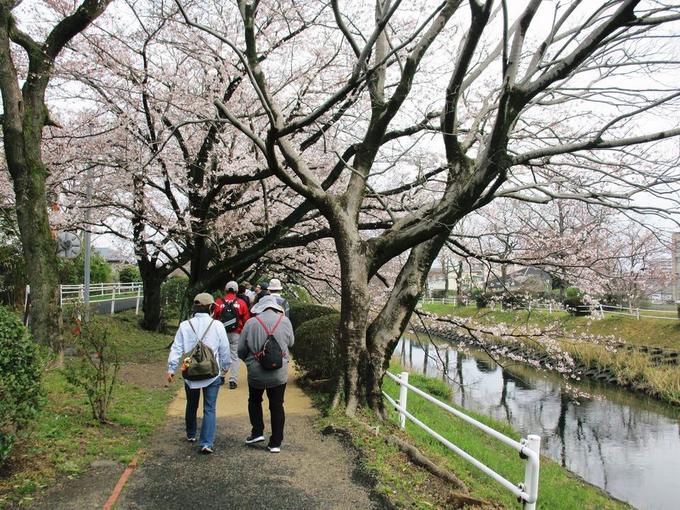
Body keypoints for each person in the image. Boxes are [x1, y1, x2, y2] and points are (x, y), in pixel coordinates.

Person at [167, 293, 230, 454]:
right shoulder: (217, 326)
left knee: (191, 404)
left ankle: (190, 434)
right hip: (212, 374)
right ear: (211, 307)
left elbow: (176, 348)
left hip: (191, 373)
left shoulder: (184, 325)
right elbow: (224, 349)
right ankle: (206, 443)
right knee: (209, 408)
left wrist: (171, 369)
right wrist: (225, 366)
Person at [238, 295, 294, 453]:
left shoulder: (251, 323)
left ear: (259, 308)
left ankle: (257, 432)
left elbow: (241, 349)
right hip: (279, 372)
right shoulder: (285, 321)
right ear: (276, 308)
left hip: (256, 371)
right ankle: (275, 442)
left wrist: (249, 362)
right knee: (277, 405)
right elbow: (291, 343)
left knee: (254, 400)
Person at [214, 281, 250, 389]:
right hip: (236, 333)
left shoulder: (219, 302)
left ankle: (221, 375)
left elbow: (215, 317)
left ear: (225, 290)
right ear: (236, 291)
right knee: (234, 356)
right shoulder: (241, 302)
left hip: (222, 333)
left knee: (221, 354)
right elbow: (246, 319)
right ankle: (233, 380)